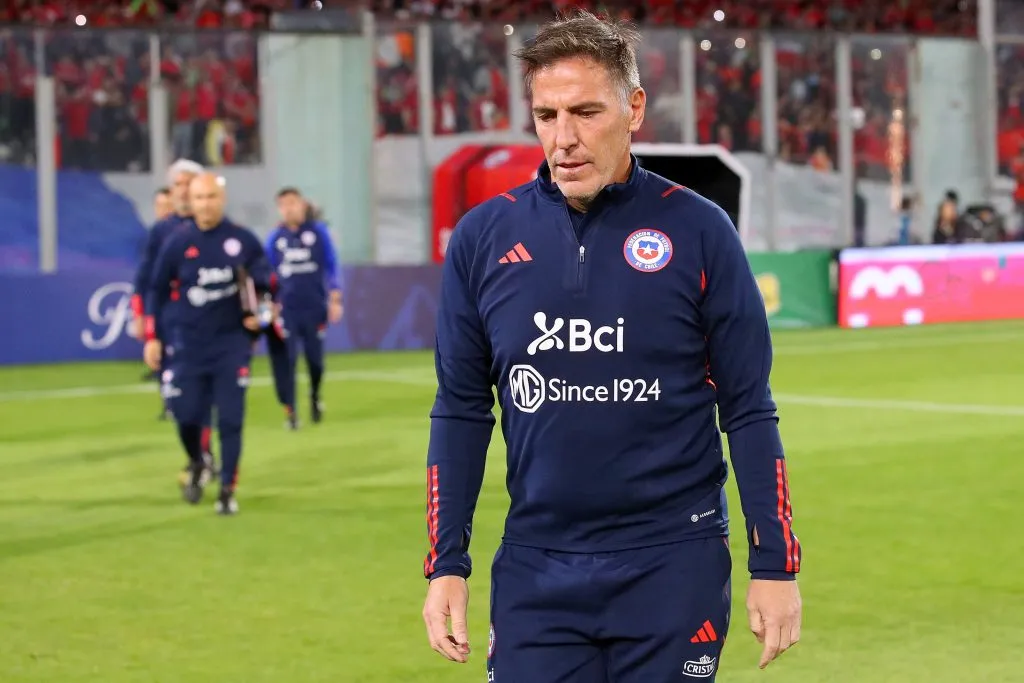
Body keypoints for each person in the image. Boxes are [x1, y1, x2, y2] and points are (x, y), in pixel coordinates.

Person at [421, 12, 802, 683]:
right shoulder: (483, 237)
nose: (563, 138)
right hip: (537, 566)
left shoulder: (700, 230)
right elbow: (459, 408)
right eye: (546, 115)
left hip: (672, 562)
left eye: (585, 111)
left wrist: (773, 562)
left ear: (633, 109)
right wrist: (446, 562)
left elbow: (747, 407)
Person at [143, 173, 273, 515]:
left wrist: (259, 314)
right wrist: (153, 335)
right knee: (185, 415)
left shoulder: (242, 240)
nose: (205, 204)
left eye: (211, 197)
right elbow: (155, 288)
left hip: (231, 345)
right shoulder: (178, 242)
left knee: (230, 420)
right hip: (187, 344)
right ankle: (198, 460)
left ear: (222, 199)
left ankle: (227, 489)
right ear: (190, 201)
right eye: (199, 198)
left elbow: (266, 285)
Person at [132, 161, 216, 471]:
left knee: (203, 393)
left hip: (208, 323)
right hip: (171, 322)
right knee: (179, 397)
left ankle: (202, 456)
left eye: (188, 183)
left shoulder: (217, 229)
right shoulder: (162, 231)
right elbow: (147, 279)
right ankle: (199, 454)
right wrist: (143, 319)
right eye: (178, 184)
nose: (182, 189)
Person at [263, 187, 343, 429]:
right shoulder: (274, 238)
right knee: (286, 361)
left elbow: (331, 265)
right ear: (279, 208)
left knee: (315, 361)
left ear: (302, 205)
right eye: (284, 204)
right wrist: (269, 302)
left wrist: (335, 298)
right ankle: (291, 413)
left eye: (293, 203)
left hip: (314, 306)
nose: (289, 208)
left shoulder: (319, 233)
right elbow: (266, 273)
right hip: (286, 309)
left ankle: (315, 396)